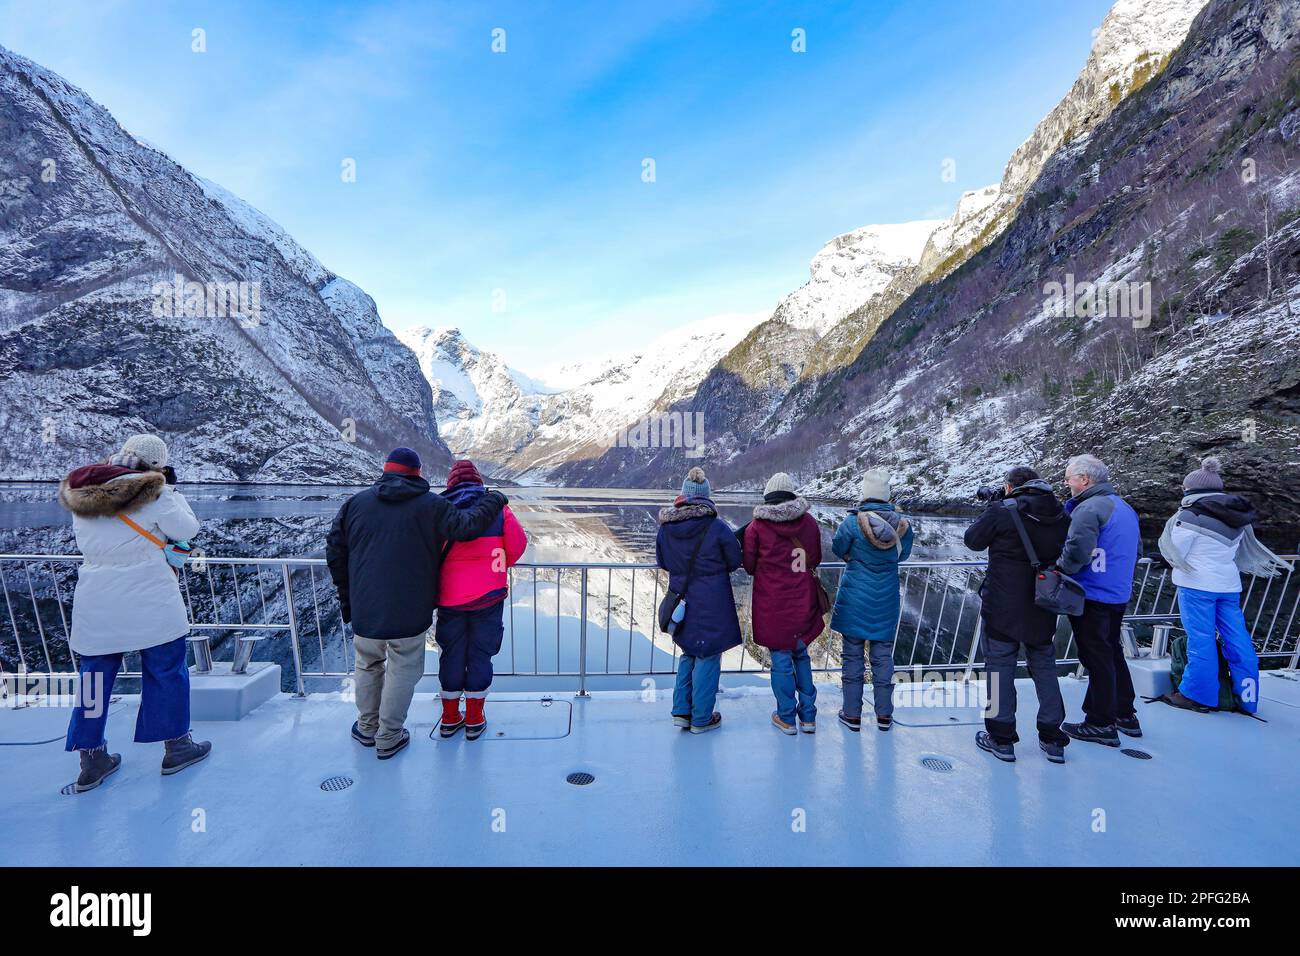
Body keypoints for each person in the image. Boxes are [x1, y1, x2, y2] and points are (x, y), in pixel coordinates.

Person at [326, 448, 507, 759]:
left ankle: (367, 728)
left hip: (365, 607)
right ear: (418, 473)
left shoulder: (355, 504)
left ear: (385, 470)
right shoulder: (430, 505)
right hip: (410, 609)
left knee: (367, 666)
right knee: (402, 669)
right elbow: (467, 527)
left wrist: (348, 601)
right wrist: (494, 499)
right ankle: (389, 737)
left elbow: (335, 555)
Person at [58, 433, 209, 792]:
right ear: (156, 464)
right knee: (166, 670)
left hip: (97, 597)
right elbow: (188, 529)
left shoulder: (86, 493)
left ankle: (91, 757)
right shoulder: (156, 494)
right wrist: (170, 490)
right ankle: (177, 746)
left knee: (94, 679)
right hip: (149, 596)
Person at [1158, 457, 1287, 714]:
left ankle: (1197, 696)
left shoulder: (1191, 514)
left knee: (1201, 639)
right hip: (1228, 586)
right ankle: (1248, 698)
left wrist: (1159, 559)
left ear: (1192, 490)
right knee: (1238, 640)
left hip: (1197, 587)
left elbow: (1177, 553)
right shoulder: (1236, 516)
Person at [963, 467, 1071, 763]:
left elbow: (972, 540)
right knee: (1045, 666)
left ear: (1010, 487)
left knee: (999, 668)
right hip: (1043, 601)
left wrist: (992, 508)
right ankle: (1052, 736)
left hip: (1003, 604)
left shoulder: (1002, 511)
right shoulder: (1060, 513)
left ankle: (1001, 737)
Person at [435, 460, 527, 740]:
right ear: (478, 481)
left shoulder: (438, 509)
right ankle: (475, 716)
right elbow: (518, 544)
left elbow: (427, 550)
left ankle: (450, 716)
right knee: (480, 653)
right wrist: (497, 565)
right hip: (489, 596)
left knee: (451, 653)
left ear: (450, 482)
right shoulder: (498, 508)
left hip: (449, 598)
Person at [1056, 454, 1142, 747]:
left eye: (1069, 478)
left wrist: (1060, 570)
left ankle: (1100, 722)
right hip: (1117, 593)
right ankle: (1125, 714)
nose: (1066, 484)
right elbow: (1136, 548)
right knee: (1111, 652)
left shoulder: (1090, 507)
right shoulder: (1124, 508)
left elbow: (1077, 550)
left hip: (1092, 594)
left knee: (1096, 657)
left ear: (1084, 479)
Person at [656, 466, 742, 734]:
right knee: (709, 655)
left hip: (683, 599)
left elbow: (663, 561)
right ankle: (701, 718)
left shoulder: (667, 528)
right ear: (707, 497)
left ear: (683, 495)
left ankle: (682, 711)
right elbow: (734, 560)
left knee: (688, 651)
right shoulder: (716, 526)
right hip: (712, 600)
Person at [830, 469, 914, 732]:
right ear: (887, 495)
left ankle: (852, 714)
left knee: (852, 657)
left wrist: (855, 559)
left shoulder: (852, 523)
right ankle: (884, 716)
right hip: (886, 599)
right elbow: (903, 556)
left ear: (865, 494)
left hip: (855, 598)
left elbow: (837, 548)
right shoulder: (903, 526)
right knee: (883, 659)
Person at [742, 472, 824, 735]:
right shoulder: (810, 523)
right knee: (802, 654)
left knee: (780, 660)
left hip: (773, 605)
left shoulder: (756, 528)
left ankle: (787, 717)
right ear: (792, 495)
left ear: (768, 497)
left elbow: (749, 565)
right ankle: (808, 717)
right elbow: (817, 557)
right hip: (803, 601)